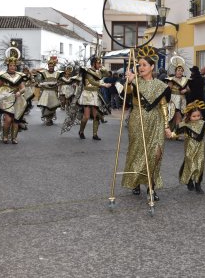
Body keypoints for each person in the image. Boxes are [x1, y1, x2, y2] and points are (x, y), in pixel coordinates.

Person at [121, 47, 171, 201]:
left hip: (156, 121)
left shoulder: (160, 85)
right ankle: (135, 182)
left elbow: (163, 105)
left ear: (152, 67)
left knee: (156, 154)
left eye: (144, 65)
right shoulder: (134, 81)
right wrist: (129, 83)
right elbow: (125, 96)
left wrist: (166, 126)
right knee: (137, 151)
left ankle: (151, 187)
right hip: (138, 119)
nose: (141, 68)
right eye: (139, 65)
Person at [0, 54, 27, 144]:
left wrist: (20, 92)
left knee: (16, 120)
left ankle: (14, 138)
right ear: (8, 66)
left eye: (14, 65)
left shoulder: (19, 76)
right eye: (11, 65)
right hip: (5, 101)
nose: (13, 67)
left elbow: (23, 88)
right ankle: (5, 136)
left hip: (17, 100)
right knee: (8, 119)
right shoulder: (3, 76)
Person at [78, 56, 111, 140]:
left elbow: (107, 74)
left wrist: (103, 68)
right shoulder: (88, 71)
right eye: (98, 63)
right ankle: (81, 131)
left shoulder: (98, 71)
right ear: (93, 63)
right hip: (88, 95)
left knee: (96, 115)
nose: (100, 64)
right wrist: (104, 85)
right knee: (86, 116)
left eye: (100, 63)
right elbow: (92, 81)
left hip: (95, 94)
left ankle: (95, 134)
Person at [35, 56, 62, 126]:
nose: (51, 67)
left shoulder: (57, 74)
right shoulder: (44, 73)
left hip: (53, 92)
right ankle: (48, 119)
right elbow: (40, 82)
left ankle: (50, 118)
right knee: (46, 106)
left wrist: (58, 84)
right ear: (48, 66)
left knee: (53, 106)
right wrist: (39, 84)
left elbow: (60, 82)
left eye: (52, 66)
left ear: (54, 66)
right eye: (49, 66)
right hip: (46, 92)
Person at [165, 63, 189, 131]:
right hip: (173, 99)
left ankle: (175, 131)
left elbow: (189, 89)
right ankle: (175, 131)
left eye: (181, 70)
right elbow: (167, 89)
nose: (180, 72)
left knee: (180, 115)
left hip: (182, 99)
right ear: (175, 71)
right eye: (178, 70)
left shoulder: (185, 80)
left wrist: (186, 90)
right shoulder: (171, 79)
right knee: (174, 115)